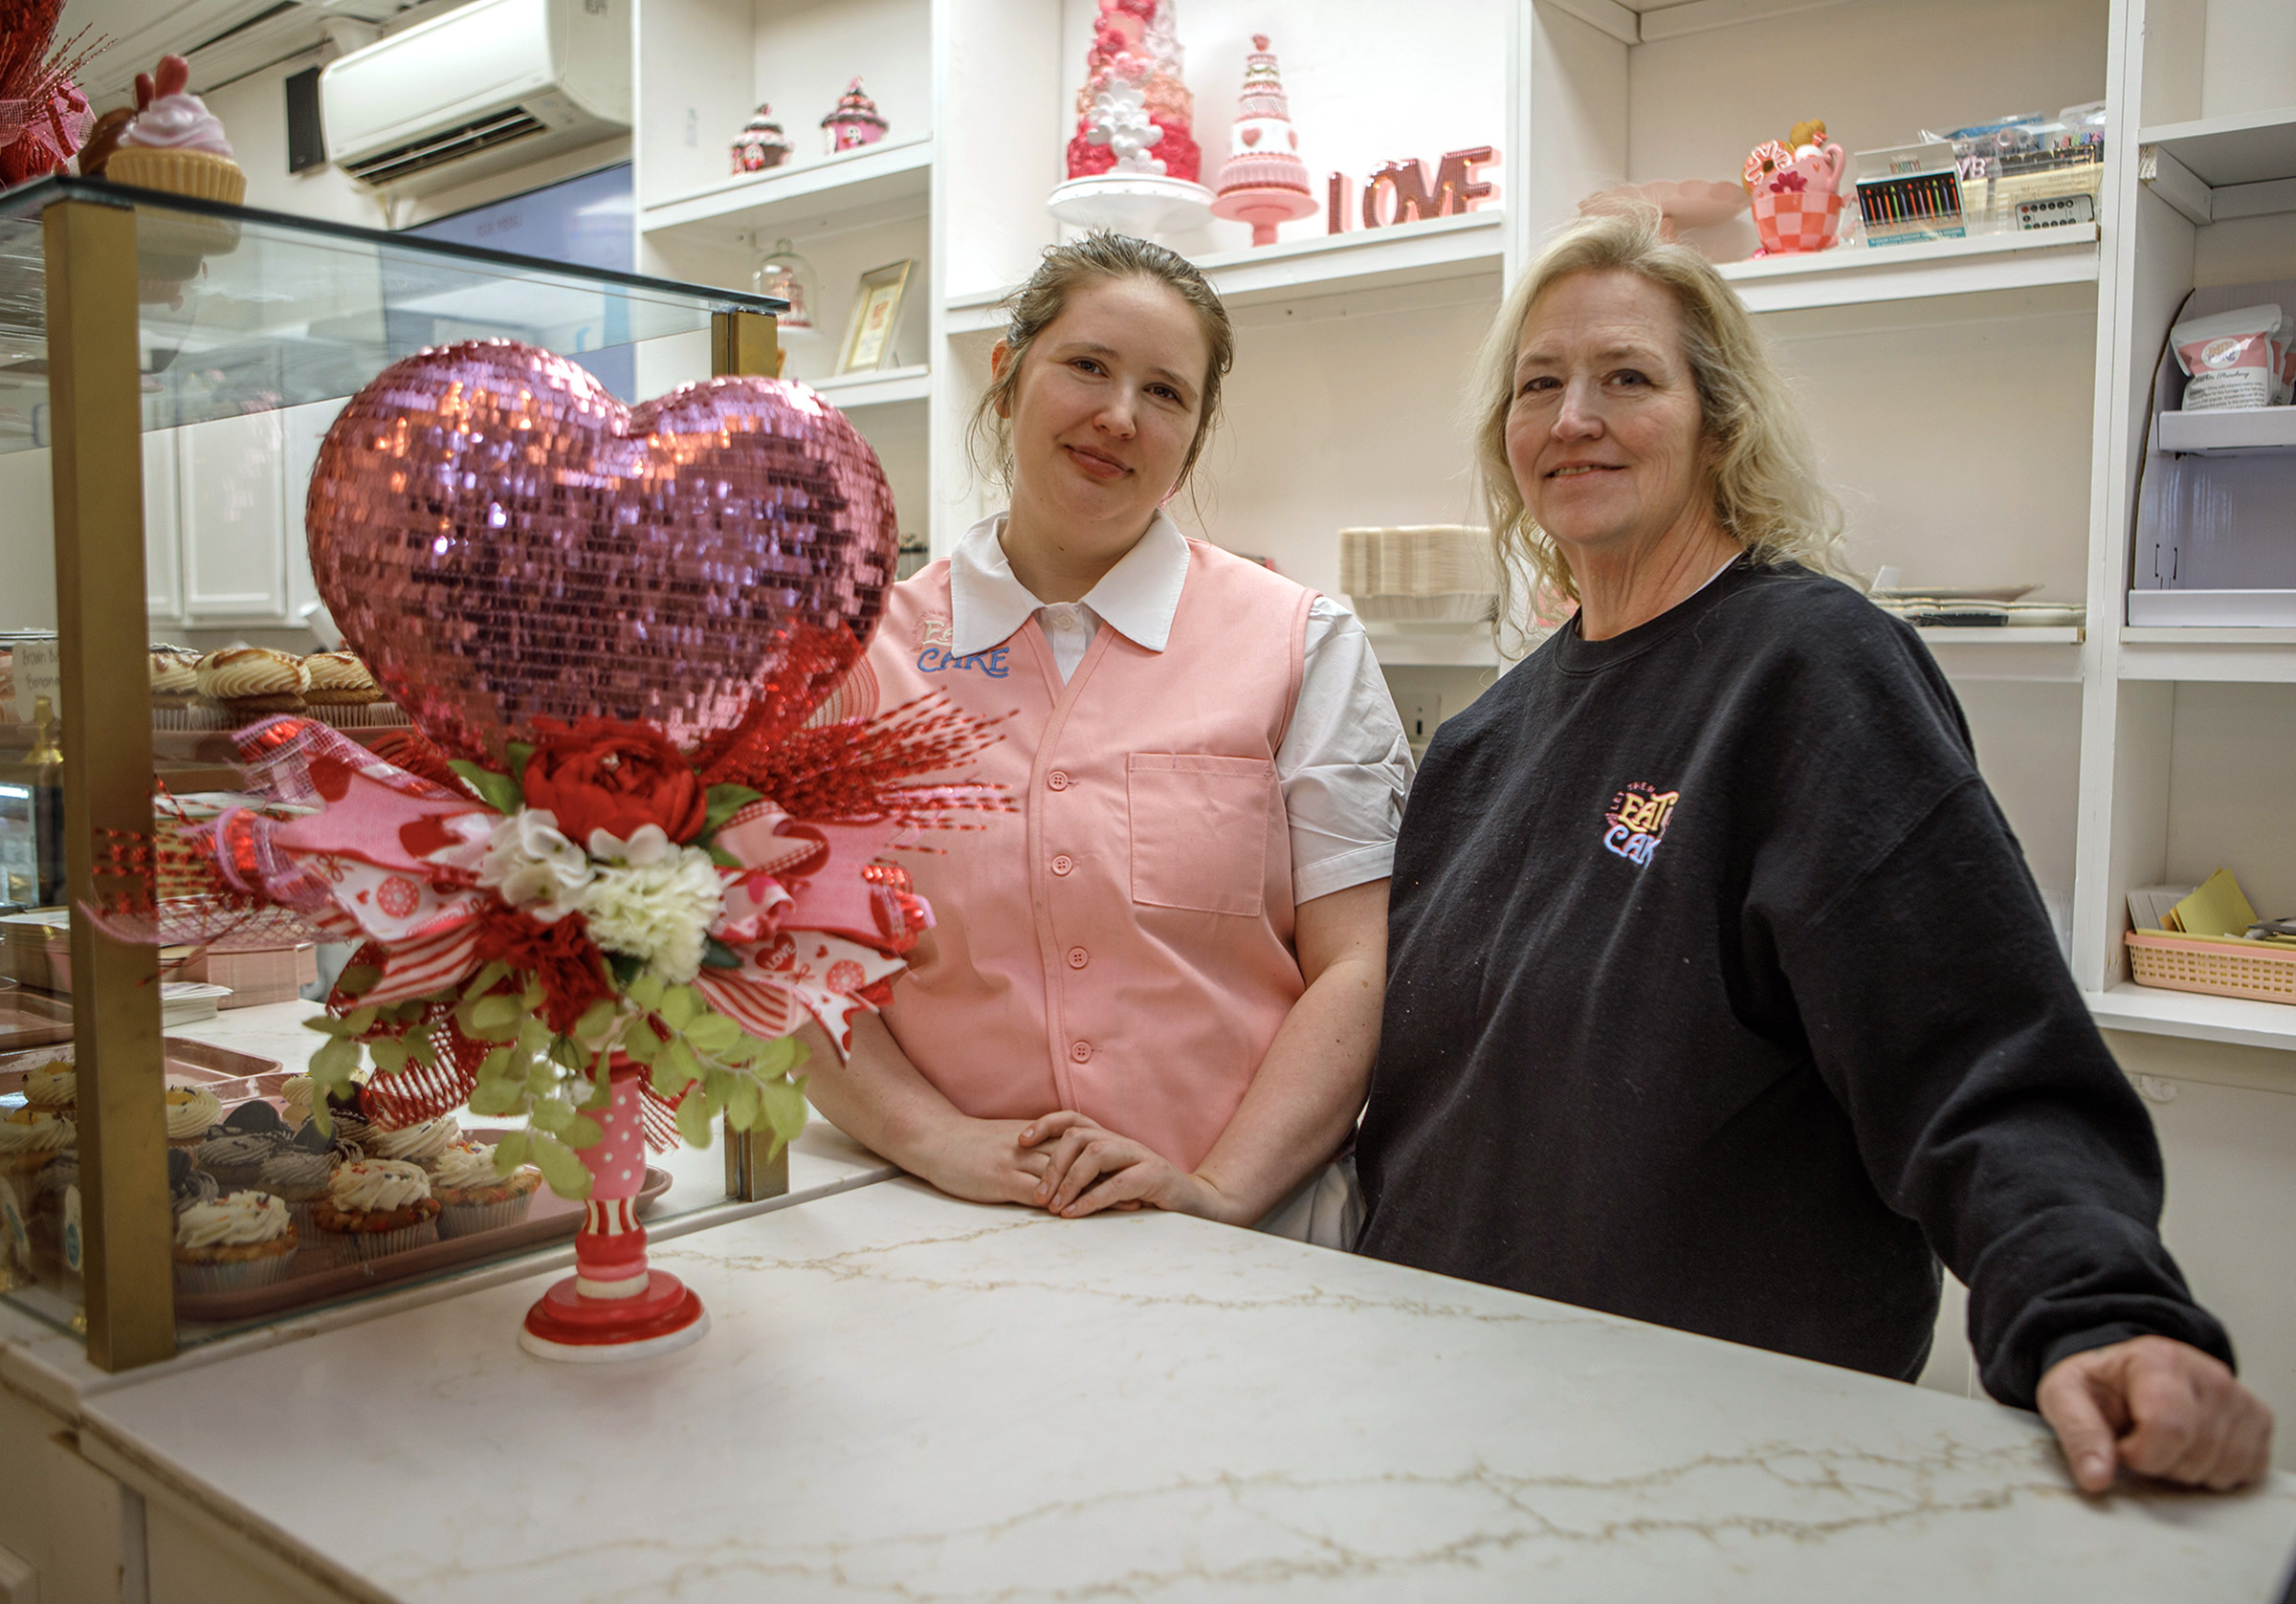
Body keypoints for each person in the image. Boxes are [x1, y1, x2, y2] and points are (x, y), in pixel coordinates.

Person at [1353, 208, 2272, 1492]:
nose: (1574, 418)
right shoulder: (1484, 742)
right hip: (1452, 1413)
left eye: (1627, 377)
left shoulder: (1809, 671)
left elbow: (1980, 1050)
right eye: (1539, 386)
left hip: (1714, 1454)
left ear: (1719, 422)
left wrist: (2096, 1310)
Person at [798, 232, 1410, 1241]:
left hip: (1251, 1237)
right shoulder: (864, 659)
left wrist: (1217, 1190)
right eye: (1086, 366)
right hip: (939, 1227)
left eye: (1166, 393)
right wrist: (939, 1139)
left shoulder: (1301, 643)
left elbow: (1356, 970)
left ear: (1194, 438)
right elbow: (789, 964)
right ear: (1007, 379)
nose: (1119, 417)